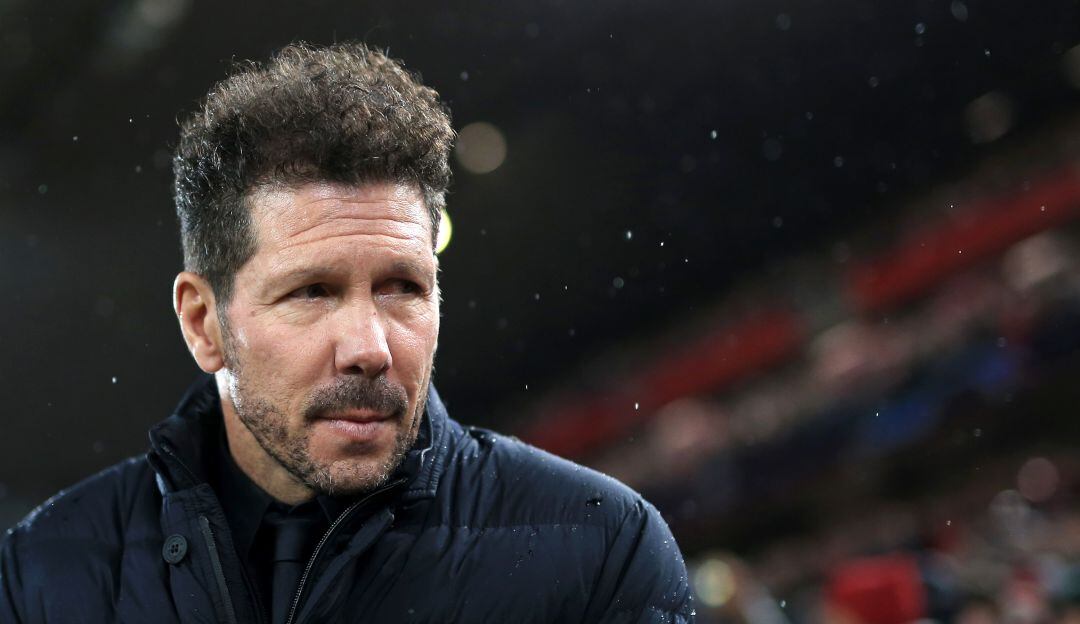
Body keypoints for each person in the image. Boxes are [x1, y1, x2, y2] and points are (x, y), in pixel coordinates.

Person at [0, 42, 694, 623]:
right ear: (203, 323)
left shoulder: (602, 550)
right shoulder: (41, 576)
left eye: (403, 288)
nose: (370, 348)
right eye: (312, 292)